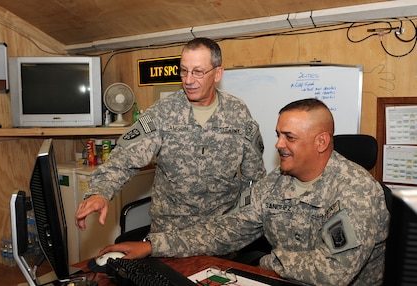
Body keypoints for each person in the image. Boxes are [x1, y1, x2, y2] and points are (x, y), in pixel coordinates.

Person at [100, 98, 390, 286]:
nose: (278, 145)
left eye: (289, 137)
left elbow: (333, 273)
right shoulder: (275, 183)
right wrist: (152, 245)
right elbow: (224, 231)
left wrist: (270, 260)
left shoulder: (357, 191)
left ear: (321, 142)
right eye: (278, 134)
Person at [75, 37, 266, 235]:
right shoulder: (162, 113)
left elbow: (254, 176)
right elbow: (123, 158)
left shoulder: (238, 112)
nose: (189, 80)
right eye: (183, 71)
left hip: (221, 231)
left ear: (218, 73)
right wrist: (100, 192)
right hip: (171, 233)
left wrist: (245, 220)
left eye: (198, 72)